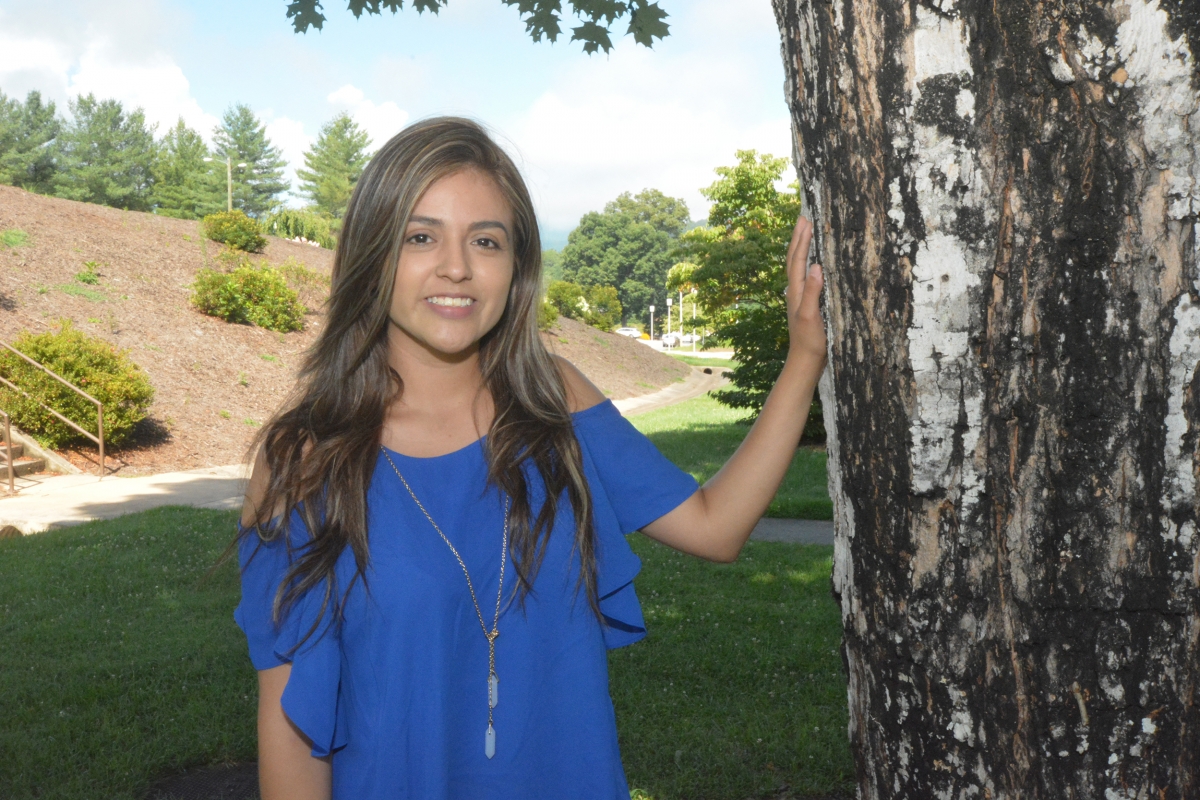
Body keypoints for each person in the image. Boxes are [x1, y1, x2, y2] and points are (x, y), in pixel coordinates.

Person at [235, 116, 827, 800]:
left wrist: (803, 357)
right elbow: (292, 730)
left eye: (485, 241)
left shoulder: (556, 403)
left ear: (515, 265)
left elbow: (716, 526)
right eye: (420, 237)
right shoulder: (302, 463)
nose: (456, 266)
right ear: (374, 253)